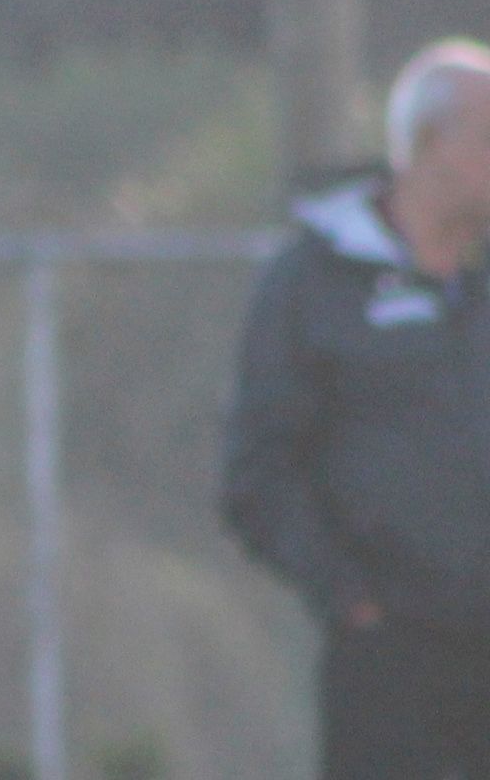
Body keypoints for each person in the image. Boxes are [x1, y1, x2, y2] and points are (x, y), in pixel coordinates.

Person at [223, 38, 490, 779]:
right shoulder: (316, 283)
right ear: (432, 143)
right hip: (393, 662)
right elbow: (258, 474)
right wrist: (354, 602)